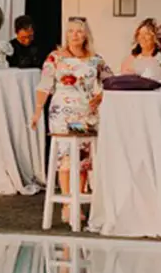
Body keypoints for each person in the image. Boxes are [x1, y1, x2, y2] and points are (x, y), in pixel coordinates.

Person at [31, 18, 109, 188]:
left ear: (86, 35)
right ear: (66, 35)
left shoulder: (95, 59)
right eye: (71, 31)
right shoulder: (55, 57)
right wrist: (37, 111)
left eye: (79, 31)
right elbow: (44, 85)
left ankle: (79, 198)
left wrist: (100, 96)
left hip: (87, 112)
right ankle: (67, 201)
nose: (75, 35)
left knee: (83, 156)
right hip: (63, 113)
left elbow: (111, 83)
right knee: (65, 156)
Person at [121, 19, 161, 86]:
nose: (142, 37)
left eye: (147, 34)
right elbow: (123, 81)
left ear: (155, 38)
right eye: (140, 34)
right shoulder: (131, 59)